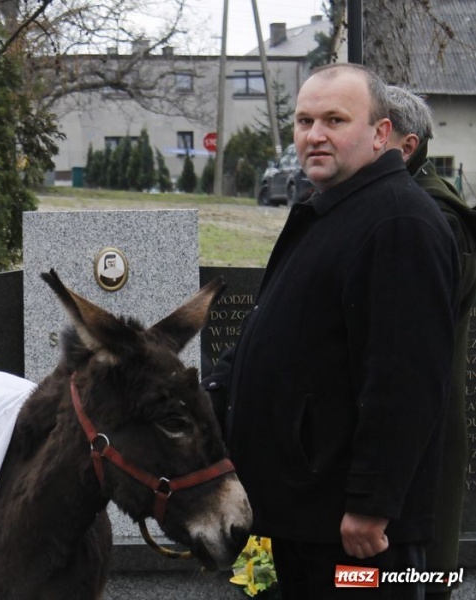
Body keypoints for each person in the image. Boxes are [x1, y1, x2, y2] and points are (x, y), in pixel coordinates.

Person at [203, 63, 459, 599]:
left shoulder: (399, 224)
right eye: (303, 121)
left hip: (347, 540)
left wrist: (371, 505)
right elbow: (266, 335)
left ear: (381, 134)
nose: (314, 135)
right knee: (255, 593)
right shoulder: (326, 211)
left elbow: (404, 382)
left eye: (335, 120)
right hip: (275, 523)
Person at [386, 84, 476, 600]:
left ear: (405, 145)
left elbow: (408, 338)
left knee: (415, 580)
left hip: (419, 439)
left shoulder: (435, 218)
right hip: (396, 444)